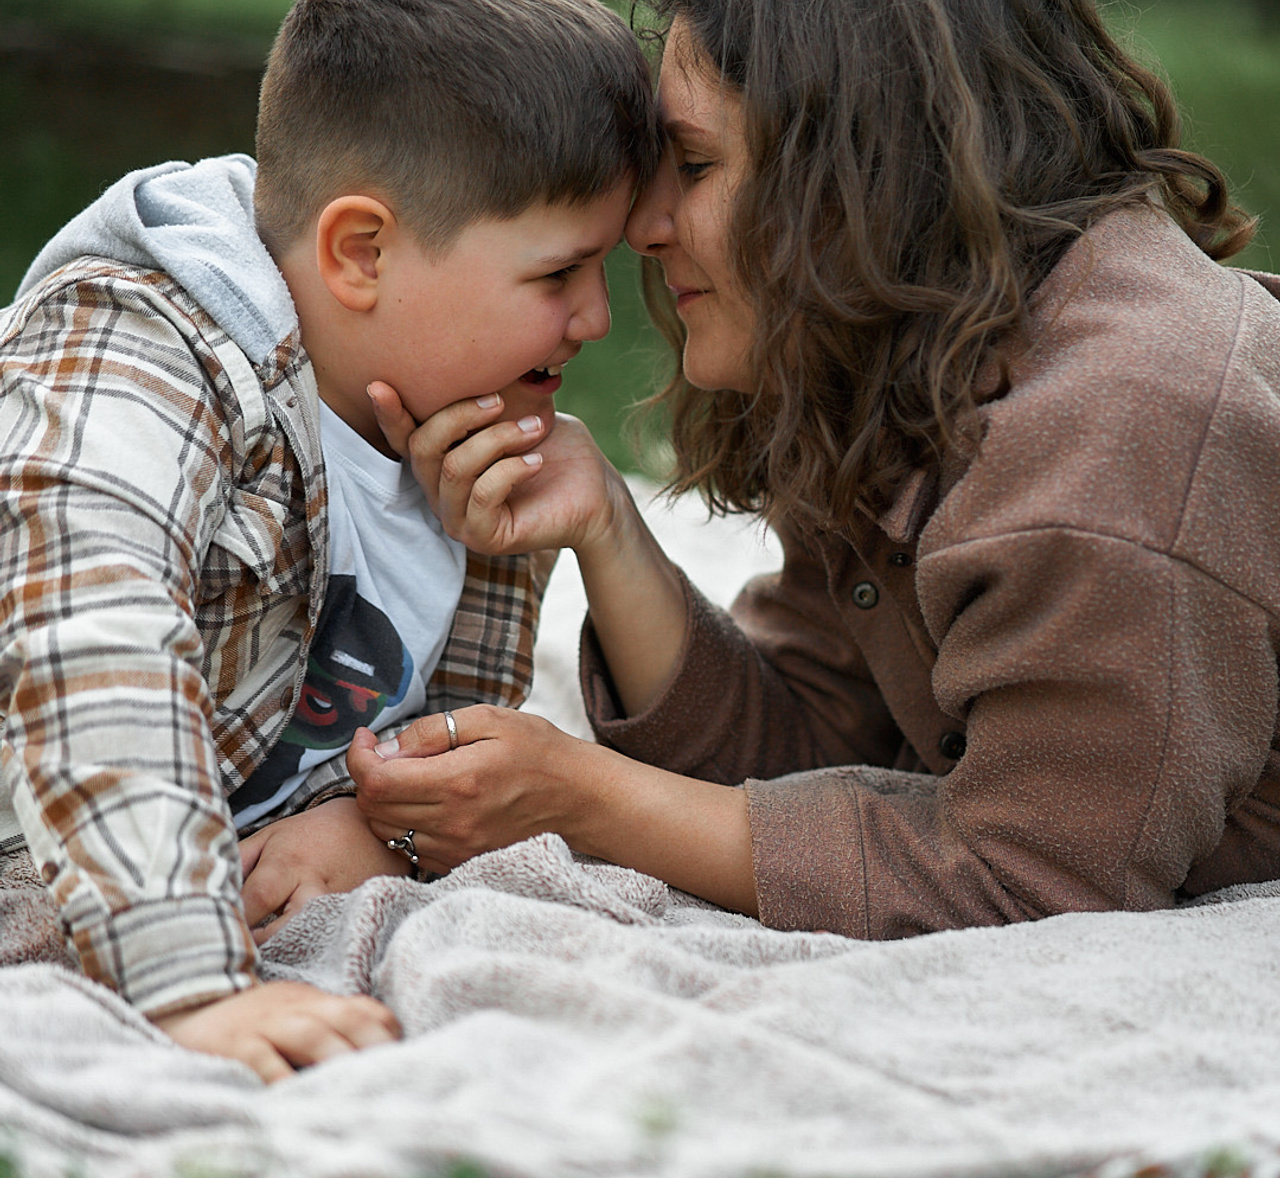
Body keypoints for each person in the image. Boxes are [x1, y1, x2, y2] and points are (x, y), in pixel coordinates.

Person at [346, 0, 1280, 938]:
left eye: (697, 164)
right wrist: (607, 529)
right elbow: (811, 749)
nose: (645, 223)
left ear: (863, 172)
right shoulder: (918, 356)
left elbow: (1030, 879)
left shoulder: (1117, 431)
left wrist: (579, 797)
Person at [0, 0, 658, 1081]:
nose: (594, 316)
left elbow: (422, 726)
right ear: (361, 252)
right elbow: (92, 643)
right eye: (556, 274)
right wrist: (191, 987)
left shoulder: (460, 424)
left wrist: (379, 821)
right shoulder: (143, 357)